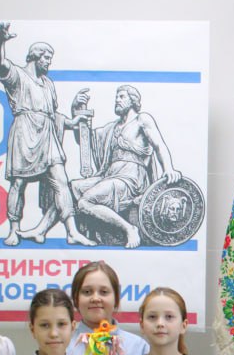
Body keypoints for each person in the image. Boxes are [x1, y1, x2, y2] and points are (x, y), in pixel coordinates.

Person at [0, 22, 92, 247]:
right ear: (35, 57)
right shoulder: (17, 75)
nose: (48, 63)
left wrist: (71, 122)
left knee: (62, 181)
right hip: (25, 132)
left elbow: (53, 115)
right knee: (18, 183)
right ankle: (14, 229)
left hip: (48, 136)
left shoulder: (48, 84)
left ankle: (72, 231)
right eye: (46, 58)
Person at [70, 85, 182, 249]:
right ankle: (73, 233)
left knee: (85, 202)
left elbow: (159, 145)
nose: (117, 100)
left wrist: (168, 168)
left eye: (122, 97)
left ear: (133, 100)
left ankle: (129, 229)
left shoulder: (141, 119)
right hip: (110, 175)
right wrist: (75, 111)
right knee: (73, 186)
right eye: (116, 97)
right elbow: (84, 140)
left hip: (131, 178)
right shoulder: (112, 128)